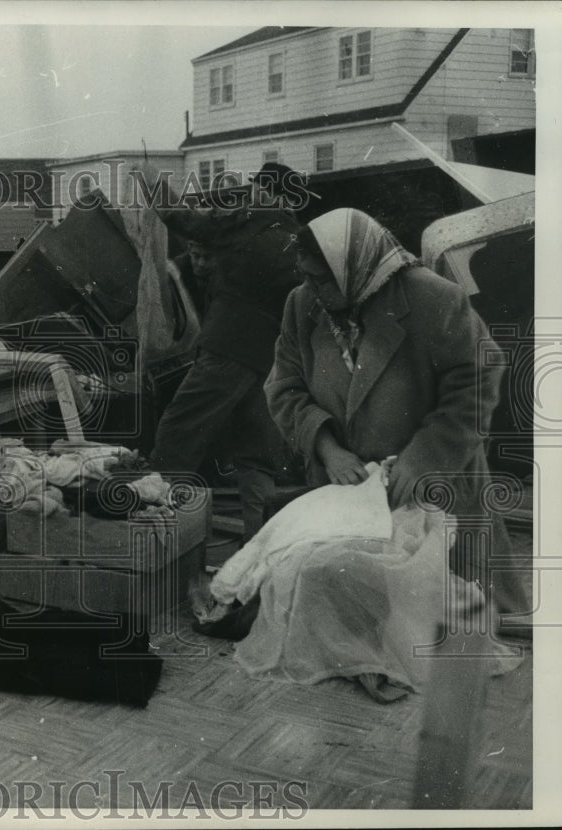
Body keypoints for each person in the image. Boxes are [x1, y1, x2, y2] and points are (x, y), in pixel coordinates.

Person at [264, 207, 529, 634]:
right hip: (354, 487)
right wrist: (328, 449)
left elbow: (479, 377)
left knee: (459, 621)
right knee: (363, 621)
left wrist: (424, 457)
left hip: (437, 482)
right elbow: (283, 386)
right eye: (305, 276)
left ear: (353, 268)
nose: (309, 289)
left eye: (320, 278)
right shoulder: (302, 305)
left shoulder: (432, 298)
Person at [152, 204, 301, 539]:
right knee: (257, 457)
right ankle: (260, 550)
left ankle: (154, 532)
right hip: (268, 362)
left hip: (229, 350)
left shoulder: (250, 223)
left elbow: (185, 218)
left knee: (177, 434)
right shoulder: (293, 239)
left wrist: (152, 187)